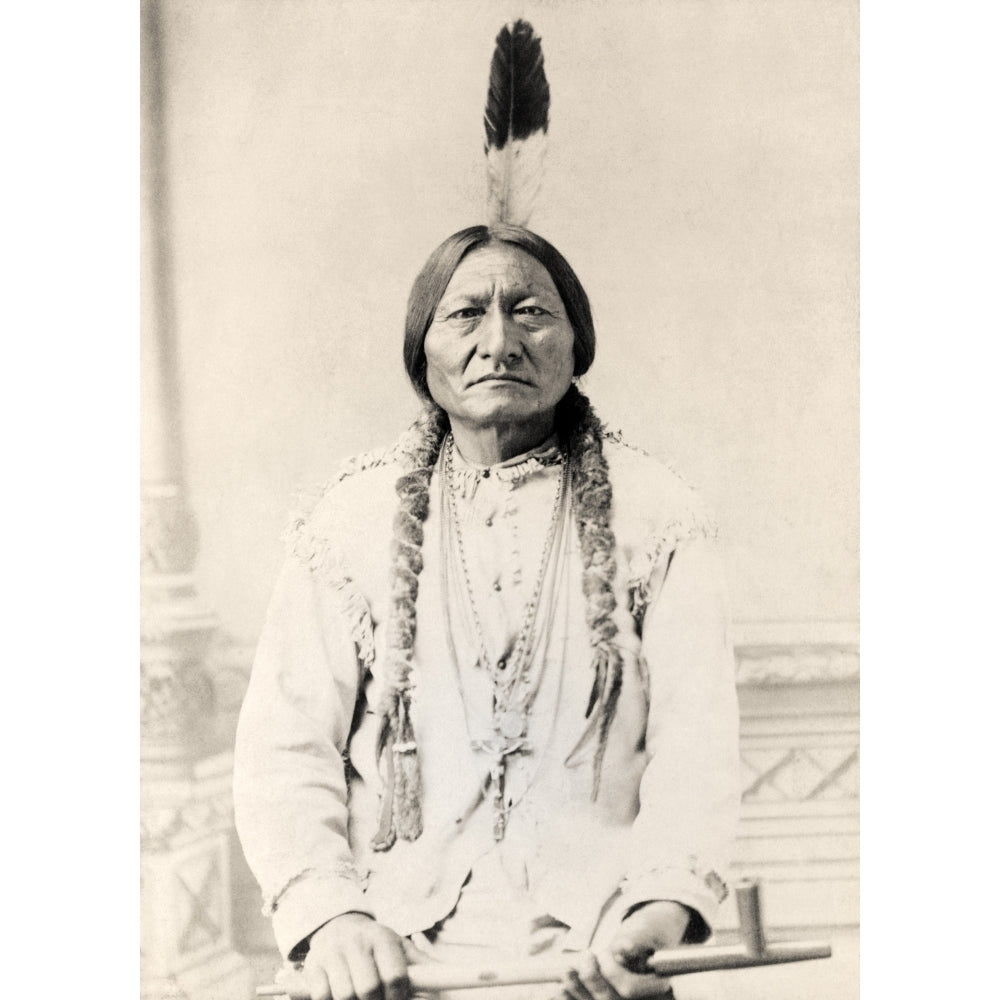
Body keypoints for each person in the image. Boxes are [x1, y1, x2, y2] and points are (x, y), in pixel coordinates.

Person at [234, 223, 740, 1000]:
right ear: (422, 354)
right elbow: (283, 747)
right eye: (466, 313)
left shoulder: (660, 516)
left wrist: (656, 913)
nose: (499, 341)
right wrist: (333, 919)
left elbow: (697, 749)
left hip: (599, 953)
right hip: (390, 956)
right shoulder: (350, 522)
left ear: (577, 345)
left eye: (531, 311)